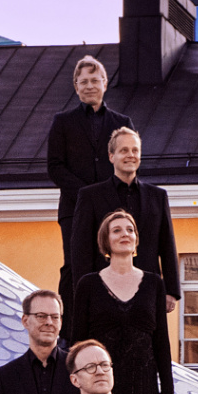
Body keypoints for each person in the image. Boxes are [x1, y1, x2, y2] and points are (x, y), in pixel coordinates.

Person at [69, 209, 175, 394]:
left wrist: (168, 393)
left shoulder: (154, 283)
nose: (124, 234)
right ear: (106, 240)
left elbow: (161, 342)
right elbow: (77, 344)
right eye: (116, 230)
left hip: (144, 387)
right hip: (100, 385)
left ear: (136, 240)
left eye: (130, 230)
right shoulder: (87, 285)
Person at [45, 54, 132, 302]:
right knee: (74, 266)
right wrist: (86, 195)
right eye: (84, 82)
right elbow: (55, 167)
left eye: (95, 80)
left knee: (111, 265)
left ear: (105, 83)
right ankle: (71, 330)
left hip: (112, 209)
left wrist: (107, 197)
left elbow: (128, 162)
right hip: (74, 209)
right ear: (76, 87)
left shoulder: (122, 123)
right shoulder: (62, 122)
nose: (90, 86)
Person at [66, 127, 179, 308]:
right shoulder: (90, 196)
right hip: (103, 291)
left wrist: (171, 290)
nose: (130, 155)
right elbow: (80, 249)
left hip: (147, 290)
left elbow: (167, 244)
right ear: (111, 156)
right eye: (124, 150)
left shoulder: (157, 196)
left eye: (135, 150)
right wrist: (83, 292)